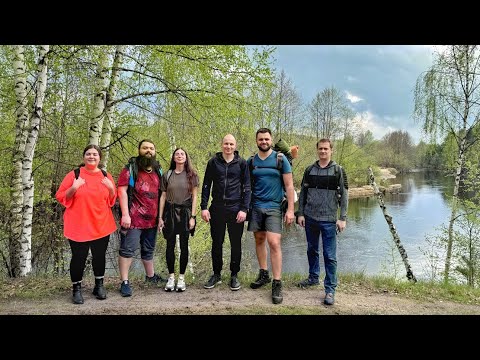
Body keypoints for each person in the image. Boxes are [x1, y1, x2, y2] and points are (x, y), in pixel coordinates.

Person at [55, 144, 117, 304]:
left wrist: (111, 189)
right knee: (78, 258)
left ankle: (99, 285)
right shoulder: (74, 175)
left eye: (95, 154)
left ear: (99, 158)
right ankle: (76, 289)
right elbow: (60, 196)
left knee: (99, 256)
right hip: (78, 225)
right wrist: (74, 188)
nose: (91, 157)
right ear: (84, 157)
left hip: (101, 224)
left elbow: (111, 200)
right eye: (88, 154)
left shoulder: (105, 175)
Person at [295, 138, 348, 306]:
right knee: (311, 250)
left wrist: (343, 218)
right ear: (317, 150)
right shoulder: (309, 170)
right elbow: (303, 193)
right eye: (320, 149)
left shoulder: (338, 170)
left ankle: (330, 289)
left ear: (331, 150)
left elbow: (345, 195)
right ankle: (313, 277)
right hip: (310, 218)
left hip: (330, 220)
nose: (323, 151)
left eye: (326, 149)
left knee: (329, 255)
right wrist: (301, 213)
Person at [247, 128, 295, 304]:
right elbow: (245, 184)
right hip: (256, 206)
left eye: (266, 139)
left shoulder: (280, 159)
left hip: (275, 207)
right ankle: (263, 274)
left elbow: (289, 186)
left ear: (271, 140)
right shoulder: (251, 161)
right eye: (260, 139)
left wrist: (290, 210)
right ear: (256, 141)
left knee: (274, 242)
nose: (264, 142)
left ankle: (277, 282)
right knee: (259, 240)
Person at [200, 134, 251, 291]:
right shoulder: (213, 162)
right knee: (217, 243)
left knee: (236, 244)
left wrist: (244, 209)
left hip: (236, 209)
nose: (228, 147)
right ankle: (216, 274)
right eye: (226, 144)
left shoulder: (242, 163)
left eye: (231, 144)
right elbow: (206, 185)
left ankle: (234, 275)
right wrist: (203, 207)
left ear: (235, 146)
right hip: (217, 208)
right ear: (221, 145)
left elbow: (247, 187)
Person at [117, 139, 164, 297]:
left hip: (152, 220)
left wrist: (161, 217)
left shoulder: (158, 169)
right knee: (127, 249)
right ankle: (124, 282)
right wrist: (125, 214)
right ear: (139, 150)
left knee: (148, 249)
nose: (148, 151)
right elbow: (122, 191)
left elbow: (162, 193)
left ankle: (150, 277)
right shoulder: (130, 168)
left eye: (151, 148)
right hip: (133, 219)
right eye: (145, 148)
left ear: (155, 151)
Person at [158, 148, 199, 292]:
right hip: (169, 213)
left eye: (182, 154)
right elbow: (162, 197)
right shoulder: (167, 175)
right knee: (169, 246)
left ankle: (181, 278)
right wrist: (160, 218)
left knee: (184, 245)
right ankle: (171, 278)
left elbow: (195, 197)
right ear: (174, 158)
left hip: (186, 213)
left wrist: (193, 217)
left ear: (186, 157)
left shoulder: (191, 175)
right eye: (177, 154)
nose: (180, 156)